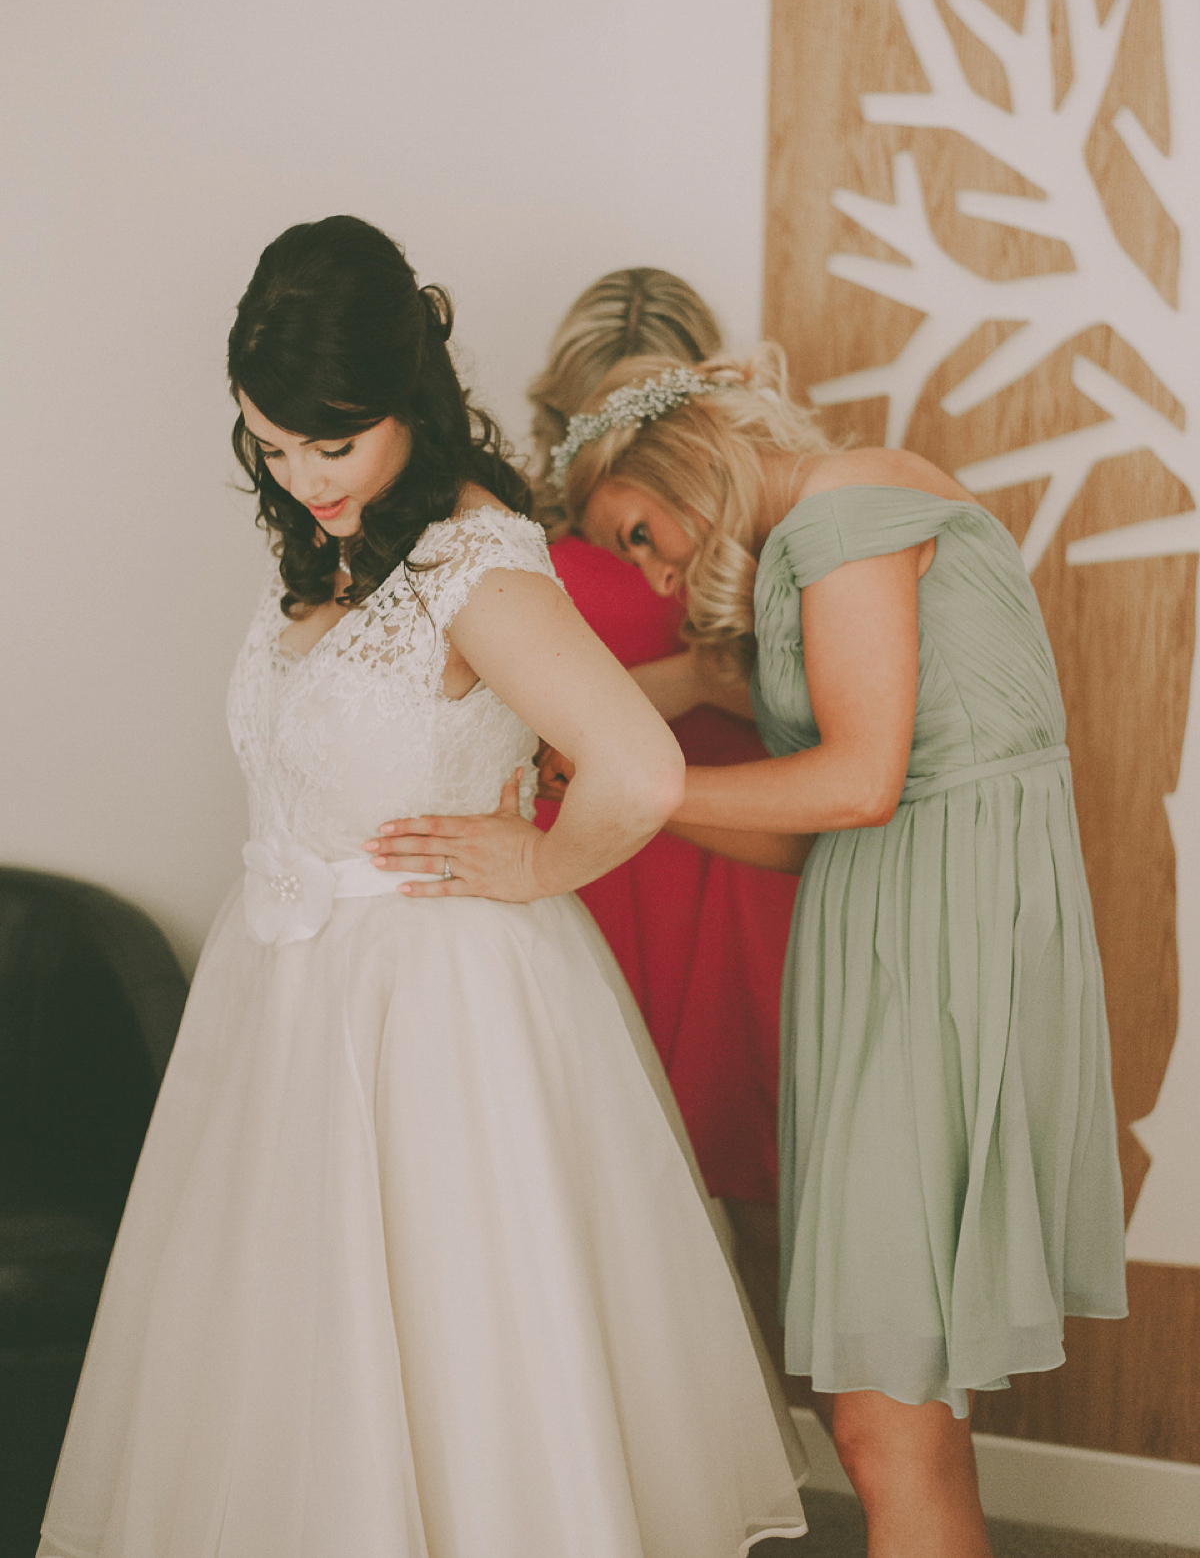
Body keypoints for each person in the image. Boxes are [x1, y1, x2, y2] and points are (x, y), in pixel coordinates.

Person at [37, 218, 806, 1558]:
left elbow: (634, 766)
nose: (302, 476)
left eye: (331, 444)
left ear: (411, 399)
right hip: (283, 996)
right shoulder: (334, 541)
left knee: (460, 1360)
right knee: (294, 1362)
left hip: (433, 1006)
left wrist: (540, 857)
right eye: (272, 446)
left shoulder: (474, 563)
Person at [377, 344, 1129, 1558]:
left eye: (636, 532)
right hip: (882, 940)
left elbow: (862, 784)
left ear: (683, 461)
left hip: (938, 958)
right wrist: (616, 797)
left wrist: (638, 791)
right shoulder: (799, 557)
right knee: (898, 1411)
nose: (657, 567)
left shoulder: (849, 506)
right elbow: (808, 840)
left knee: (886, 1421)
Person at [527, 269, 802, 1368]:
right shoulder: (524, 556)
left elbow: (809, 703)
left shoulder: (766, 524)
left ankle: (810, 1471)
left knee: (773, 1197)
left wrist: (694, 682)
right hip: (605, 882)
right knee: (623, 1213)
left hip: (739, 869)